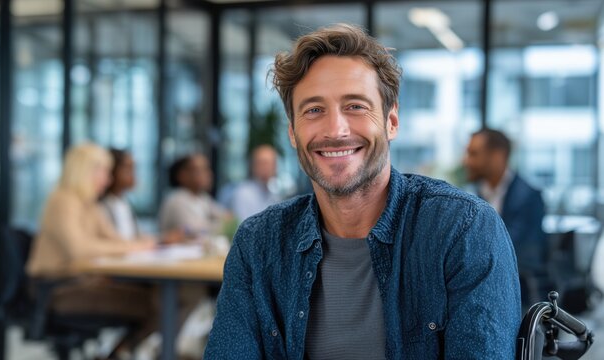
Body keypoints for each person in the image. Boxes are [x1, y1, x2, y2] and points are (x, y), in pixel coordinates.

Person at [204, 24, 521, 359]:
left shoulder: (464, 230)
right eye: (314, 110)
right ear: (293, 133)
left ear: (392, 121)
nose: (336, 130)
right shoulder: (258, 243)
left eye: (355, 106)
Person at [26, 143, 157, 359]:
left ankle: (114, 354)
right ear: (85, 171)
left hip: (83, 283)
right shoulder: (64, 200)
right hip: (57, 289)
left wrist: (150, 242)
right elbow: (79, 249)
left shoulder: (90, 204)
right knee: (155, 304)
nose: (107, 179)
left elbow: (118, 240)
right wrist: (135, 246)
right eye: (104, 172)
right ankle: (115, 354)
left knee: (159, 298)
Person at [463, 128, 547, 304]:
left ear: (497, 156)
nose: (466, 161)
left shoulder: (529, 197)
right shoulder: (472, 197)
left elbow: (514, 251)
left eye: (474, 154)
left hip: (519, 294)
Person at [101, 148, 184, 243]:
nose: (133, 174)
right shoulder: (102, 205)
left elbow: (136, 237)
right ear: (112, 170)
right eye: (128, 168)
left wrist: (162, 239)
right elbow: (118, 241)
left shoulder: (124, 202)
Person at [159, 153, 229, 239]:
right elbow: (193, 232)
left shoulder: (202, 198)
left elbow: (229, 218)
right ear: (182, 175)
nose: (208, 174)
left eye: (207, 169)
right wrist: (220, 225)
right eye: (200, 170)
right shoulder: (177, 199)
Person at [226, 144, 281, 222]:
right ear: (254, 166)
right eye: (263, 163)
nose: (267, 168)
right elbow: (245, 226)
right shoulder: (243, 193)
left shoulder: (274, 196)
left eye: (272, 163)